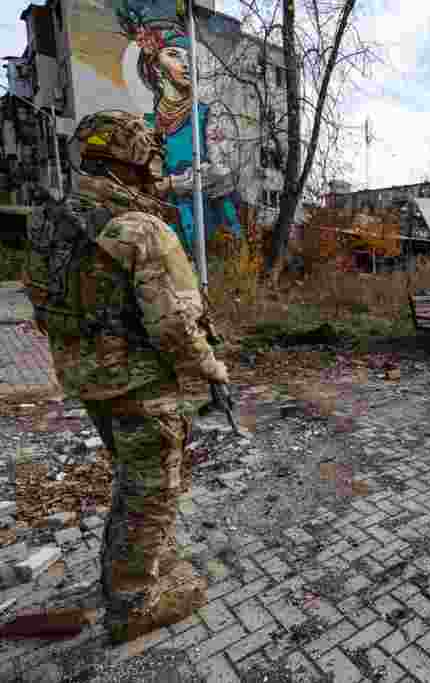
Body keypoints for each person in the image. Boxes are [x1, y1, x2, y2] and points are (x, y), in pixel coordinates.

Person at [22, 110, 229, 643]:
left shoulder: (47, 221)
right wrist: (211, 370)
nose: (154, 176)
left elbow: (44, 306)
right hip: (140, 386)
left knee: (134, 482)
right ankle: (132, 602)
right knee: (151, 490)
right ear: (132, 163)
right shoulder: (139, 228)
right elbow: (176, 326)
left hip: (88, 381)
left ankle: (135, 569)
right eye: (149, 165)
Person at [117, 5, 242, 259]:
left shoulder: (211, 115)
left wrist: (173, 183)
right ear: (154, 66)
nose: (185, 64)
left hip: (212, 231)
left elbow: (224, 171)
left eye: (189, 57)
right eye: (174, 54)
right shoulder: (146, 126)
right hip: (168, 238)